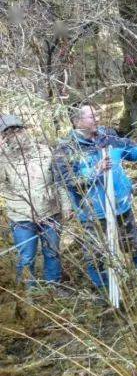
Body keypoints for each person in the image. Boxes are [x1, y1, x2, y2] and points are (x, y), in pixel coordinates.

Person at [52, 103, 137, 298]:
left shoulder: (107, 136)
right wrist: (94, 171)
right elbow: (64, 180)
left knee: (134, 244)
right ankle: (104, 291)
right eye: (92, 117)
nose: (97, 119)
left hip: (120, 206)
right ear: (76, 121)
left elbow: (128, 148)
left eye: (97, 115)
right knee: (95, 255)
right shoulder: (66, 150)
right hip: (93, 213)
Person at [0, 115, 69, 290]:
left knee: (52, 252)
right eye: (7, 133)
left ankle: (53, 288)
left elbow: (59, 179)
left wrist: (67, 204)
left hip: (50, 211)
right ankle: (29, 296)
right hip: (21, 217)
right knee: (26, 257)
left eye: (17, 129)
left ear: (25, 130)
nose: (15, 135)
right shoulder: (4, 160)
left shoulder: (45, 151)